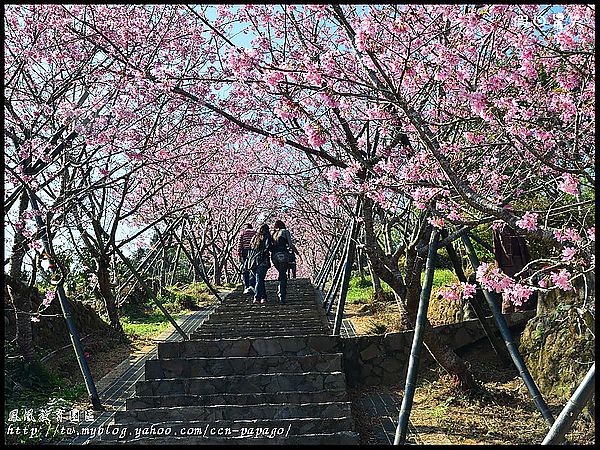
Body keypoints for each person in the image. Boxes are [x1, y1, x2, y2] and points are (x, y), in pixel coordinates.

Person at [271, 220, 297, 304]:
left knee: (281, 273)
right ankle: (282, 295)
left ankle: (280, 292)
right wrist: (297, 253)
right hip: (283, 255)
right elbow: (290, 244)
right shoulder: (285, 232)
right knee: (283, 275)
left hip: (274, 256)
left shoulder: (273, 234)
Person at [249, 224, 273, 305]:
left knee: (259, 280)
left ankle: (263, 297)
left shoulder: (255, 238)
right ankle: (257, 297)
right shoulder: (267, 237)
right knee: (259, 279)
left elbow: (250, 249)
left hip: (252, 262)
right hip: (262, 261)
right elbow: (268, 247)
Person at [237, 223, 257, 294]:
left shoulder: (242, 233)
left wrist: (239, 254)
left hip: (245, 251)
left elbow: (239, 244)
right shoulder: (255, 232)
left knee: (245, 269)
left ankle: (246, 287)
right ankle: (252, 285)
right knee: (253, 268)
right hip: (253, 251)